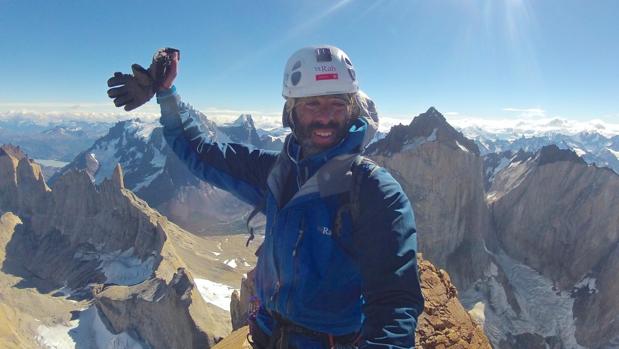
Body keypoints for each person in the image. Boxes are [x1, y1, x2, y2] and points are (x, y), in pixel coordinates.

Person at [114, 45, 424, 348]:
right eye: (311, 105)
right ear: (291, 112)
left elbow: (395, 302)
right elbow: (204, 153)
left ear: (351, 110)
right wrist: (166, 93)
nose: (325, 118)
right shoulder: (279, 171)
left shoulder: (372, 190)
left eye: (336, 105)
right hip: (268, 334)